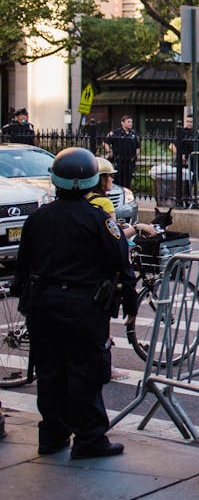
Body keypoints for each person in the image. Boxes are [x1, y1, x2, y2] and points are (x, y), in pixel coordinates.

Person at [14, 147, 137, 458]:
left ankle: (52, 434)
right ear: (91, 181)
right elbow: (122, 263)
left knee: (50, 369)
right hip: (84, 306)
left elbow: (23, 266)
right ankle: (90, 437)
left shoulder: (37, 219)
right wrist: (131, 304)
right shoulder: (99, 221)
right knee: (86, 372)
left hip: (43, 305)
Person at [105, 114, 141, 190]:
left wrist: (135, 156)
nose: (130, 123)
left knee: (128, 181)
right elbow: (106, 142)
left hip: (130, 161)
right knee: (118, 180)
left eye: (131, 122)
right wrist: (109, 151)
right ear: (122, 123)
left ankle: (127, 196)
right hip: (119, 161)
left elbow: (138, 146)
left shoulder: (134, 133)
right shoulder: (116, 133)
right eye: (128, 122)